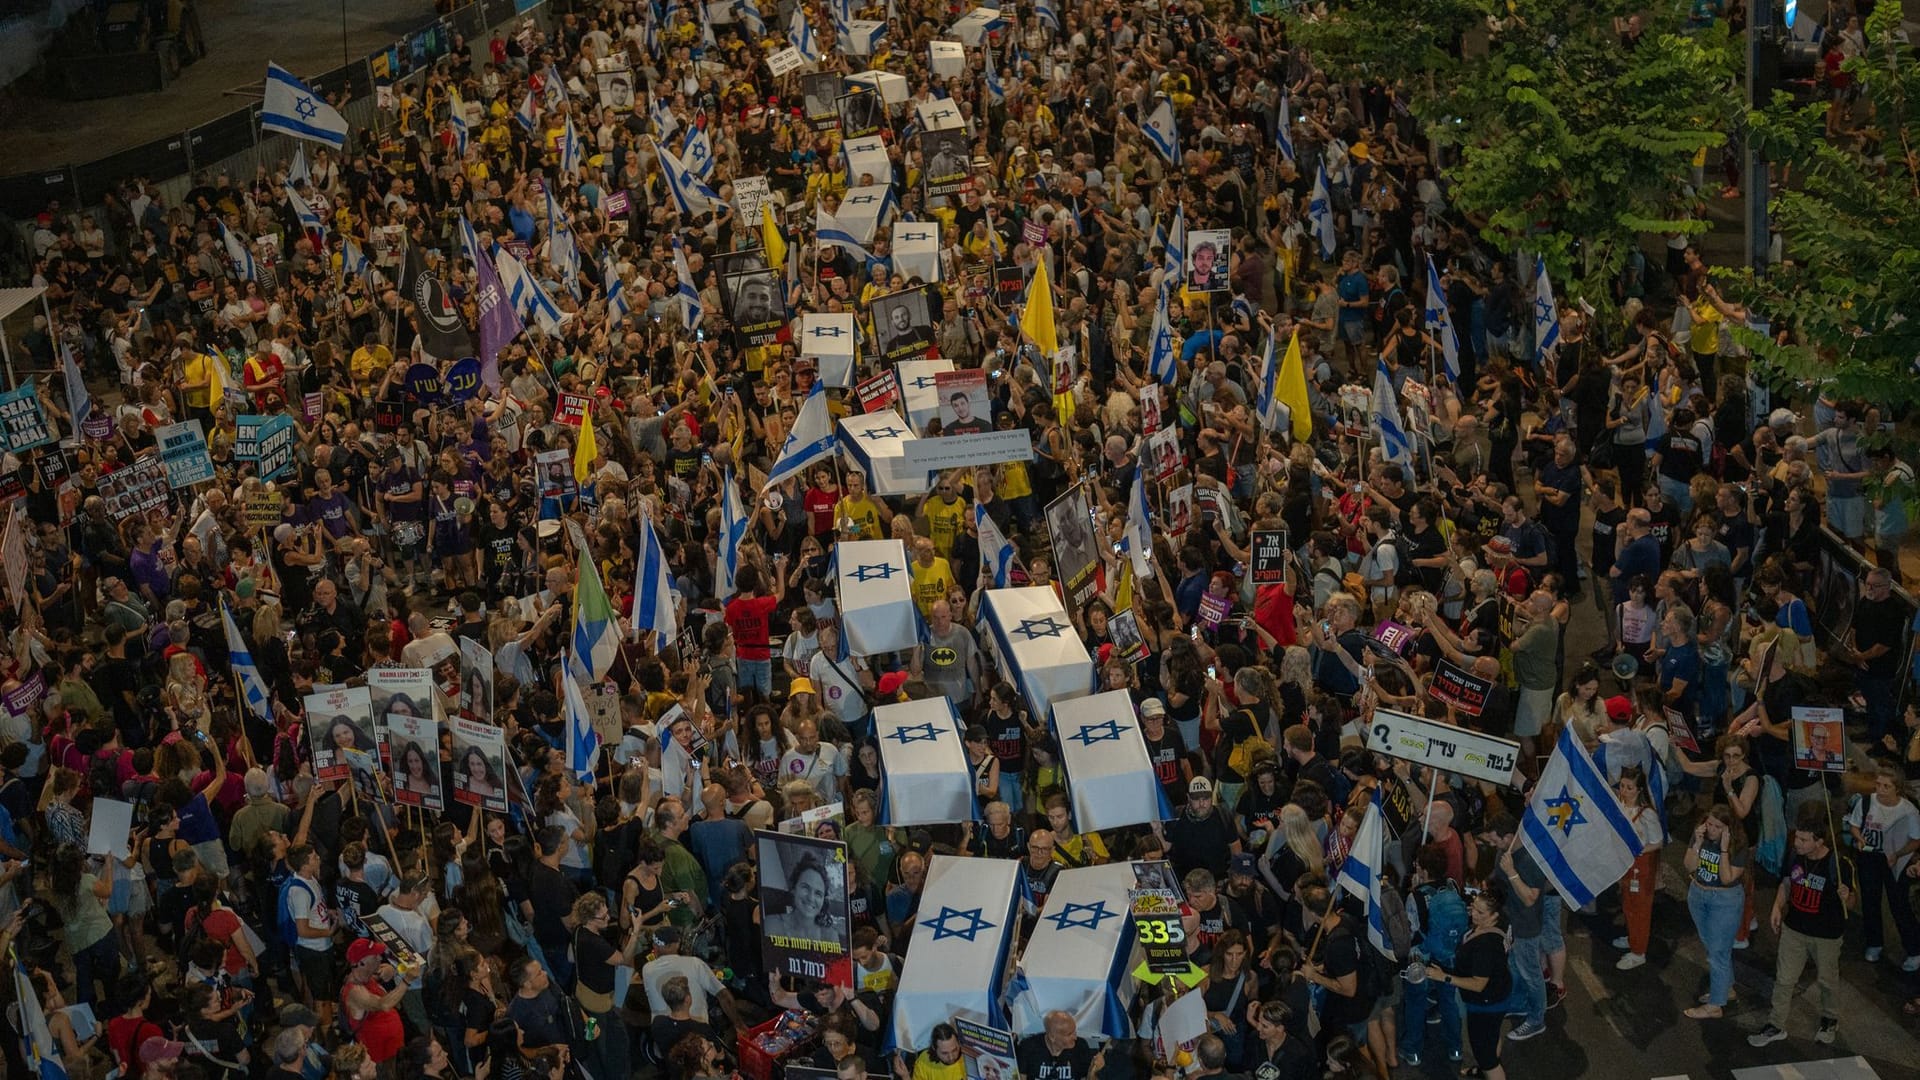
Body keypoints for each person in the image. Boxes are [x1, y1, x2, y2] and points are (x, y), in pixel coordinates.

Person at [1749, 808, 1854, 1046]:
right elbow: (1787, 882)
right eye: (1797, 837)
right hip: (1794, 928)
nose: (1797, 843)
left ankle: (1830, 1018)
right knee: (1784, 979)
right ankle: (1776, 1024)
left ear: (1819, 841)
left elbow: (1852, 902)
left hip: (1826, 935)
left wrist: (1846, 896)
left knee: (1827, 979)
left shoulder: (1838, 864)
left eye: (1804, 840)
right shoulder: (1795, 855)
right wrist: (1777, 906)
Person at [1424, 883, 1515, 1080]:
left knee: (1485, 1053)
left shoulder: (1485, 946)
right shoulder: (1503, 922)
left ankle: (1488, 1068)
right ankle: (1484, 1068)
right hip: (1499, 993)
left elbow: (1478, 984)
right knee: (1491, 1037)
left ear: (1494, 915)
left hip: (1486, 1003)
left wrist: (1444, 977)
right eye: (1473, 907)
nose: (1473, 914)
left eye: (1480, 912)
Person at [1684, 803, 1749, 1020]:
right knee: (1713, 947)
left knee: (1718, 952)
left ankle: (1715, 1005)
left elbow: (1728, 877)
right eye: (1709, 823)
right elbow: (1689, 866)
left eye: (1717, 826)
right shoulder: (1700, 836)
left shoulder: (1737, 845)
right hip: (1698, 893)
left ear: (1728, 829)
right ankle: (1726, 988)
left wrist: (1723, 849)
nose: (1710, 828)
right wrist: (1697, 843)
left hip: (1724, 899)